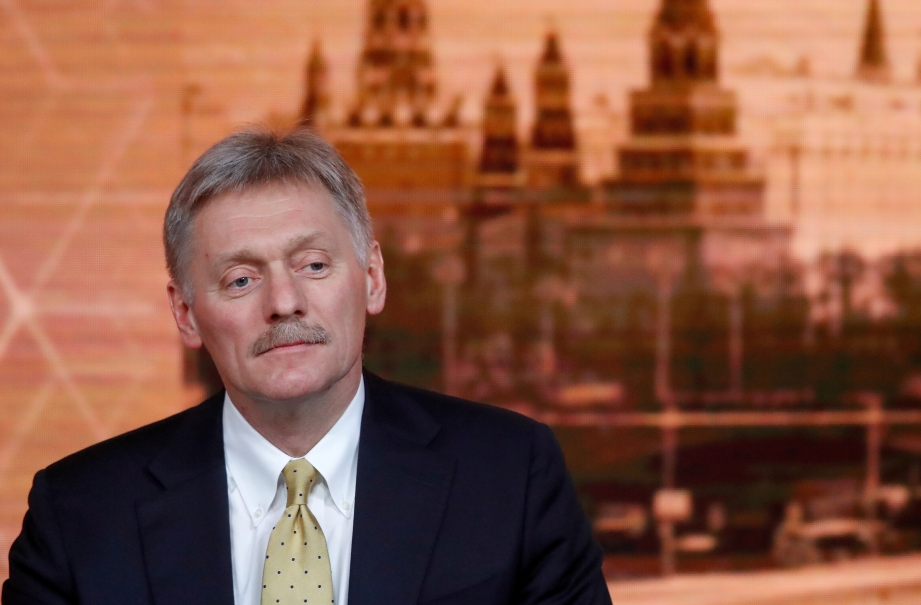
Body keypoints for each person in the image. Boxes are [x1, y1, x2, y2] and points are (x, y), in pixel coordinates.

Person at [2, 128, 612, 605]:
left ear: (371, 278)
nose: (284, 302)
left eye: (314, 266)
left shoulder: (509, 477)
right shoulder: (80, 514)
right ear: (186, 314)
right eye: (241, 280)